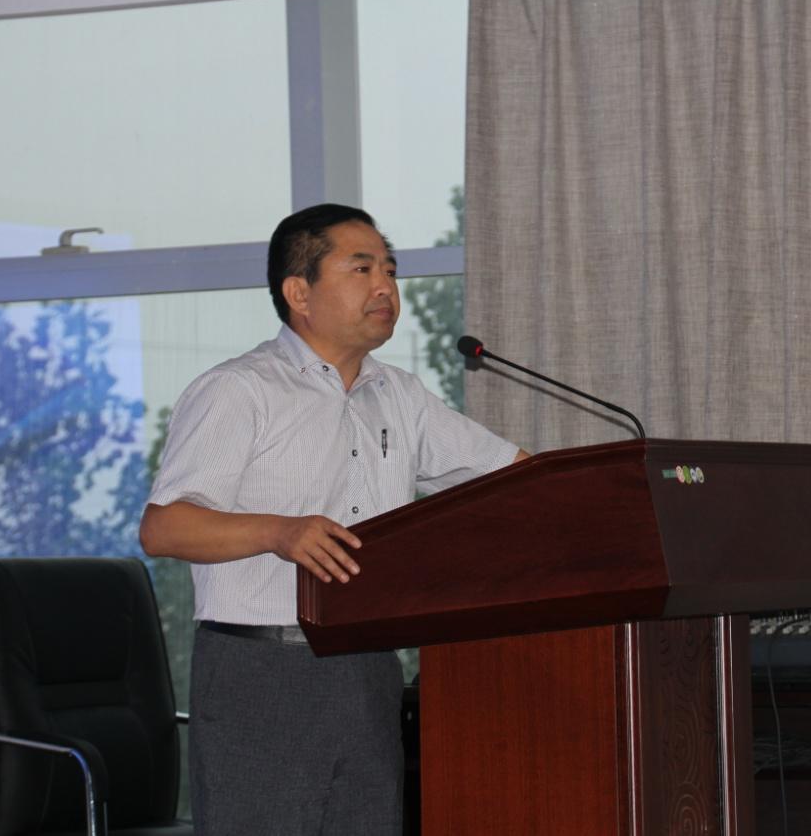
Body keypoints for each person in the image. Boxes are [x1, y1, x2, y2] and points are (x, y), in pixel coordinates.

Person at [139, 203, 528, 835]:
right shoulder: (239, 390)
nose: (385, 287)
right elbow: (164, 527)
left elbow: (515, 478)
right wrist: (280, 531)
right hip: (261, 673)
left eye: (391, 270)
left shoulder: (400, 395)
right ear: (299, 293)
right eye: (362, 269)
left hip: (368, 667)